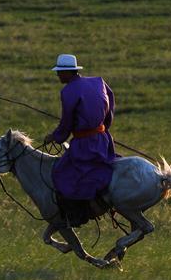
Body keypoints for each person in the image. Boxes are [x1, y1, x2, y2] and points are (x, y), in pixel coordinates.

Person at [43, 54, 119, 226]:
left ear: (69, 72)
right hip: (103, 139)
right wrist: (104, 127)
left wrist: (55, 137)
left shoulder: (68, 92)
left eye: (60, 72)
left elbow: (66, 122)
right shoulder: (98, 81)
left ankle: (80, 213)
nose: (58, 75)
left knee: (61, 172)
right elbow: (111, 100)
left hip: (85, 144)